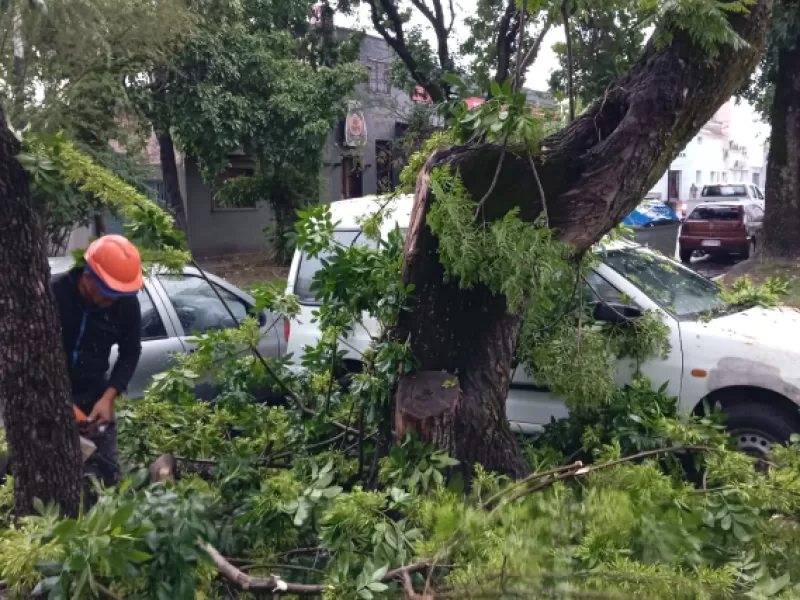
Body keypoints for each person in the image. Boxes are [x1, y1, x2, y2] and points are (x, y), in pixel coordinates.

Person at [51, 234, 143, 490]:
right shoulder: (55, 295)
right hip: (49, 400)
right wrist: (63, 405)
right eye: (109, 292)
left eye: (119, 294)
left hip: (95, 399)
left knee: (107, 480)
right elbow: (38, 359)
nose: (113, 300)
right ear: (89, 276)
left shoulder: (125, 305)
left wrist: (108, 397)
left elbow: (130, 352)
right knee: (58, 483)